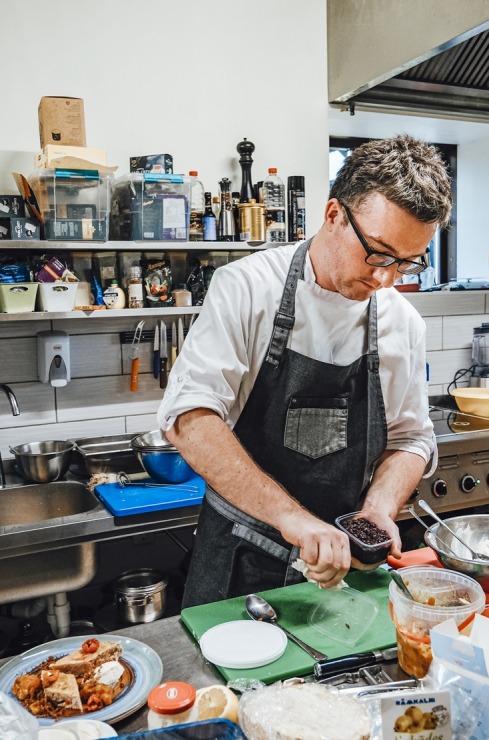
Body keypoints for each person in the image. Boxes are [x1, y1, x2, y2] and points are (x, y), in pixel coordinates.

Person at [158, 134, 452, 607]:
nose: (385, 278)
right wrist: (292, 519)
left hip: (348, 573)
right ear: (333, 215)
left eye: (405, 262)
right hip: (240, 558)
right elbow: (190, 419)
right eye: (377, 252)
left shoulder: (402, 322)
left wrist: (377, 511)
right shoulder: (247, 288)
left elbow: (411, 439)